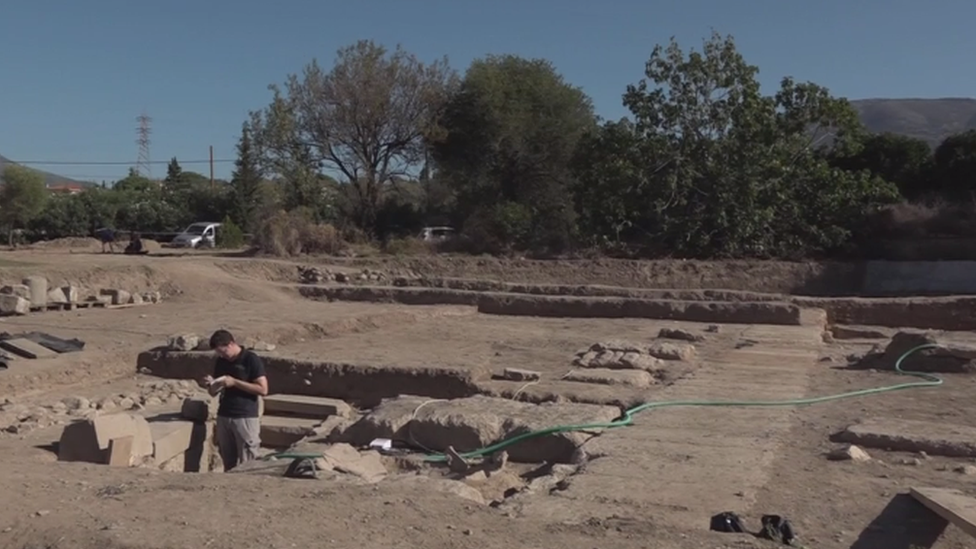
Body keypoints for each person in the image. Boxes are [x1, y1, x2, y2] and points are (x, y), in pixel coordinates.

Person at [202, 329, 269, 471]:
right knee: (227, 460)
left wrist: (235, 383)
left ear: (231, 344)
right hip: (224, 415)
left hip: (245, 416)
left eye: (223, 352)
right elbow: (213, 392)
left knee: (248, 461)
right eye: (218, 353)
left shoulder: (250, 359)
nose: (221, 355)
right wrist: (212, 384)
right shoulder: (221, 361)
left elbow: (263, 389)